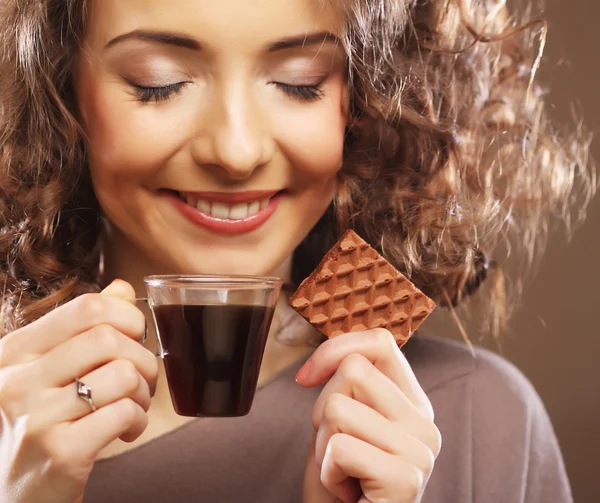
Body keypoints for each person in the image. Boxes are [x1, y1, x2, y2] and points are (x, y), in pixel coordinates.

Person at [0, 0, 594, 502]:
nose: (236, 150)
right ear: (60, 92)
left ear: (364, 101)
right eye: (159, 82)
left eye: (299, 82)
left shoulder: (479, 419)